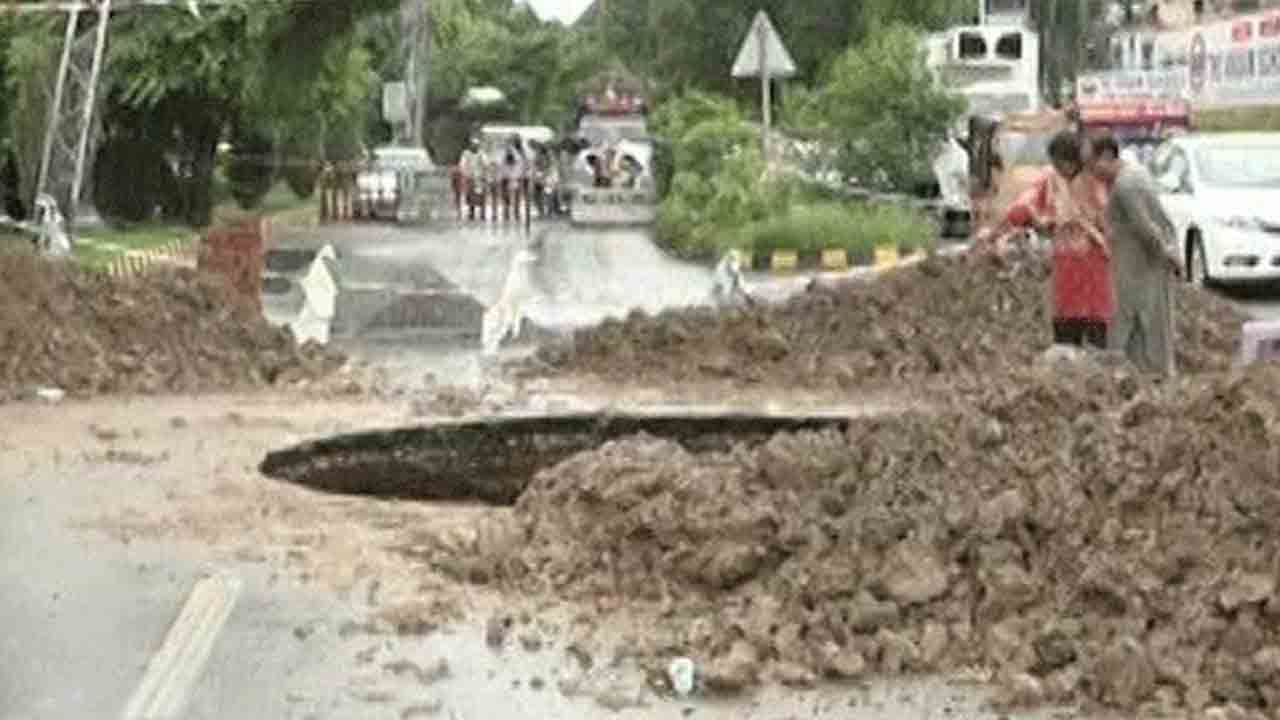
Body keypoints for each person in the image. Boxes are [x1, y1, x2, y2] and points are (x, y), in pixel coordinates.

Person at [978, 131, 1113, 350]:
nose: (1058, 169)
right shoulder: (1053, 181)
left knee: (1093, 326)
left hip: (1093, 263)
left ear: (1072, 160)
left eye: (1060, 163)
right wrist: (996, 233)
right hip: (1068, 265)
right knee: (1068, 325)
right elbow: (1023, 208)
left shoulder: (1095, 182)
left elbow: (1107, 221)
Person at [1085, 132, 1180, 376]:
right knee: (1143, 323)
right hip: (1137, 264)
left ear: (1107, 156)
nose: (1091, 172)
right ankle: (1143, 374)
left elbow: (1146, 228)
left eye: (1092, 164)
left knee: (1142, 324)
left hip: (1140, 266)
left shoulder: (1126, 185)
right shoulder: (1133, 174)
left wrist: (1168, 255)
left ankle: (1151, 376)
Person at [459, 138, 485, 221]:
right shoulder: (466, 154)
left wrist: (482, 174)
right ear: (471, 145)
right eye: (473, 145)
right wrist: (466, 174)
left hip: (479, 178)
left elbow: (485, 163)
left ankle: (482, 214)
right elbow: (462, 165)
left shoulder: (481, 153)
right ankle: (471, 213)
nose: (475, 147)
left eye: (476, 145)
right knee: (470, 196)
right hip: (469, 178)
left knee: (480, 195)